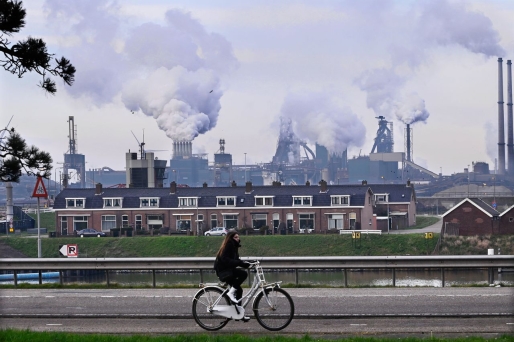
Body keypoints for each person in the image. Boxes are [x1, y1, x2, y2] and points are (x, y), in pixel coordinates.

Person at [214, 231, 250, 305]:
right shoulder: (229, 245)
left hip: (228, 270)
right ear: (230, 238)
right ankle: (230, 293)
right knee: (243, 274)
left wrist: (245, 264)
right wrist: (240, 263)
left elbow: (236, 260)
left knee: (239, 291)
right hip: (224, 271)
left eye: (238, 237)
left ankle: (238, 314)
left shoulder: (234, 246)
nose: (238, 238)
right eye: (235, 237)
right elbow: (225, 259)